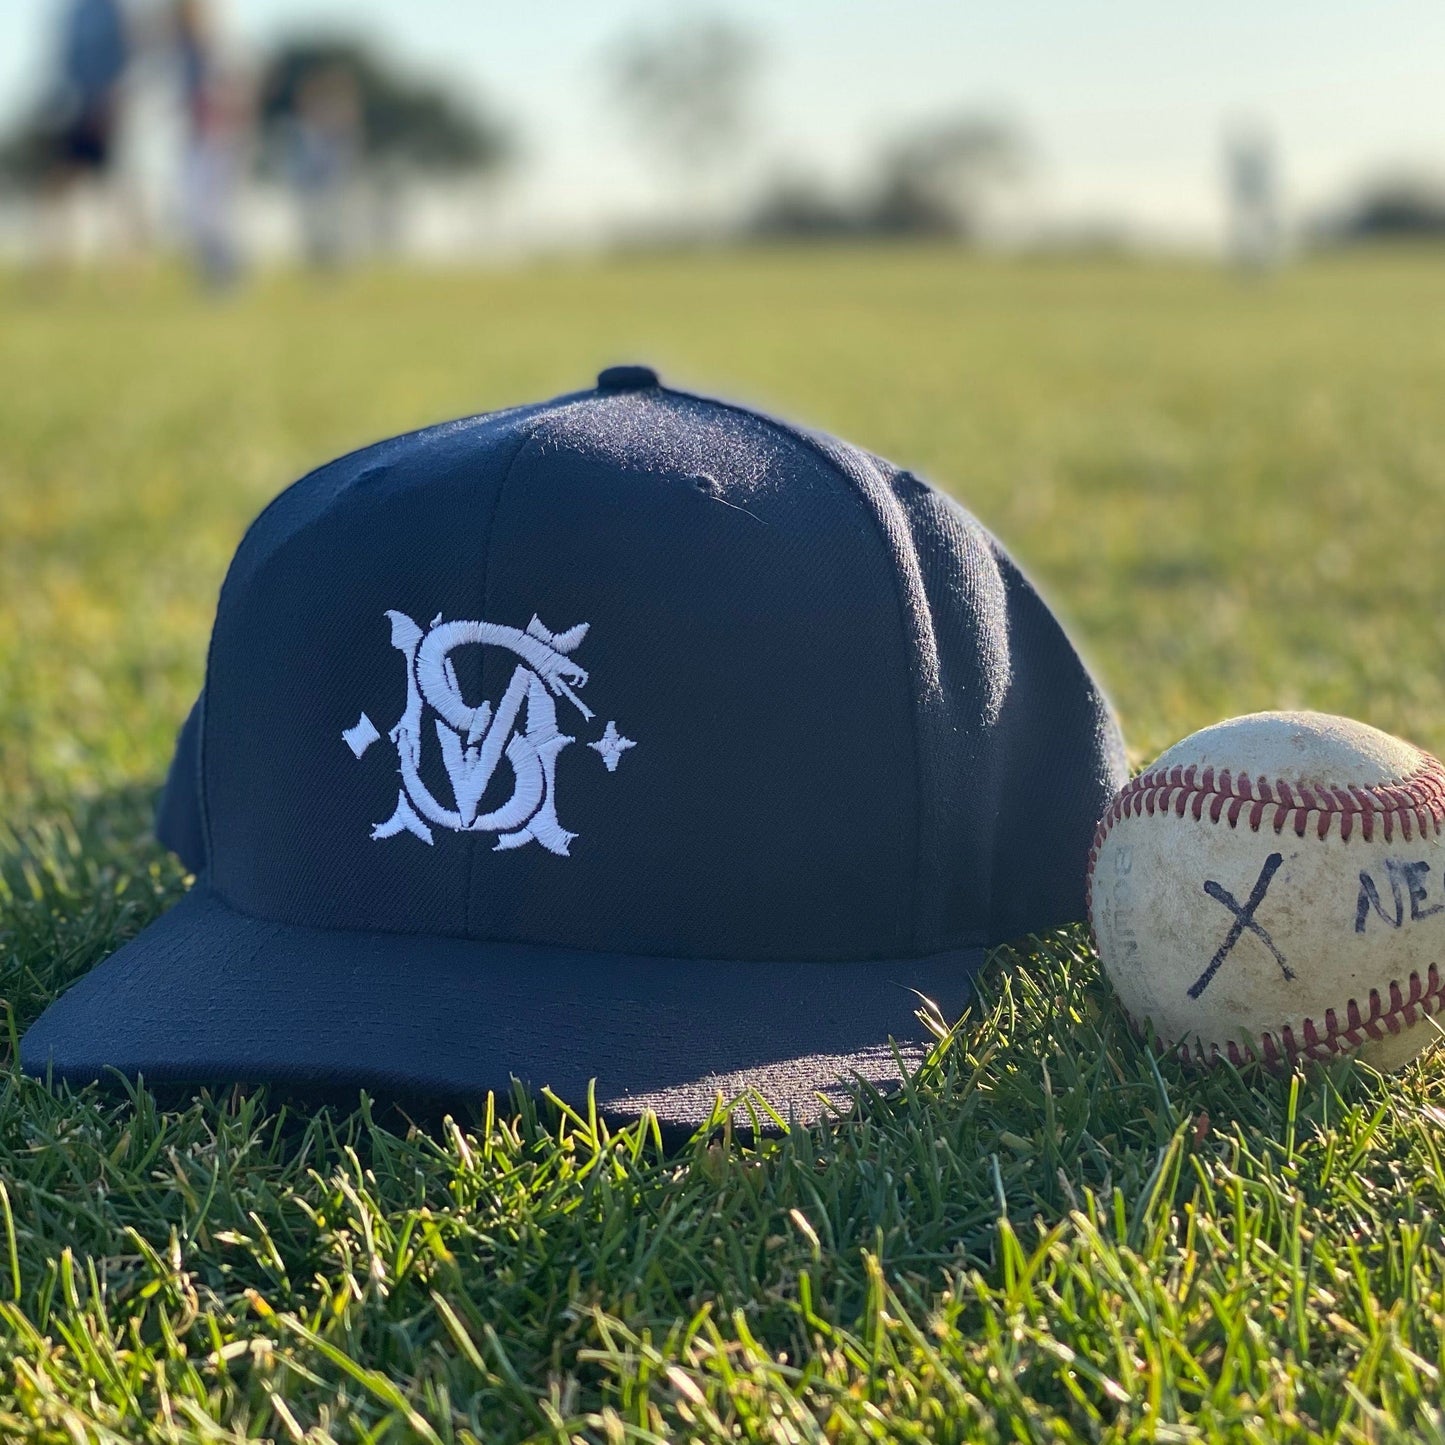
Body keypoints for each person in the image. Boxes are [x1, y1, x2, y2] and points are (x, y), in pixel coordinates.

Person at [172, 0, 250, 288]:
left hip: (219, 140)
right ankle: (212, 274)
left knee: (218, 214)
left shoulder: (218, 50)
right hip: (196, 140)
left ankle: (226, 275)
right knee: (196, 214)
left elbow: (235, 93)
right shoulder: (182, 53)